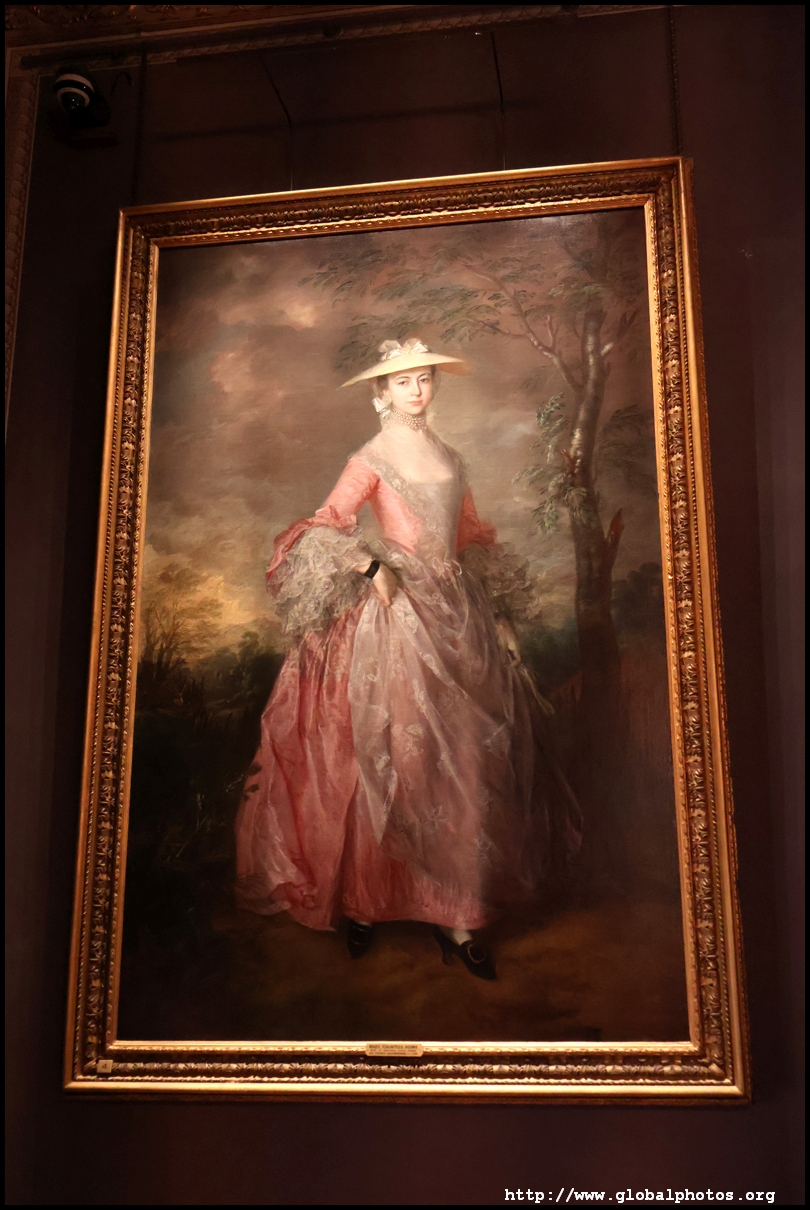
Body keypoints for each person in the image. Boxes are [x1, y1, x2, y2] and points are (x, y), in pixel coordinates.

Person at [235, 338, 580, 980]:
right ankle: (368, 904)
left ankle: (458, 916)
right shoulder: (369, 457)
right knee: (395, 755)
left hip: (459, 615)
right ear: (382, 392)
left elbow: (469, 539)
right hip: (397, 620)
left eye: (424, 379)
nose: (417, 389)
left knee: (466, 759)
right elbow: (326, 525)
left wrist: (500, 618)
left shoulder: (450, 456)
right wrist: (372, 568)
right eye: (403, 381)